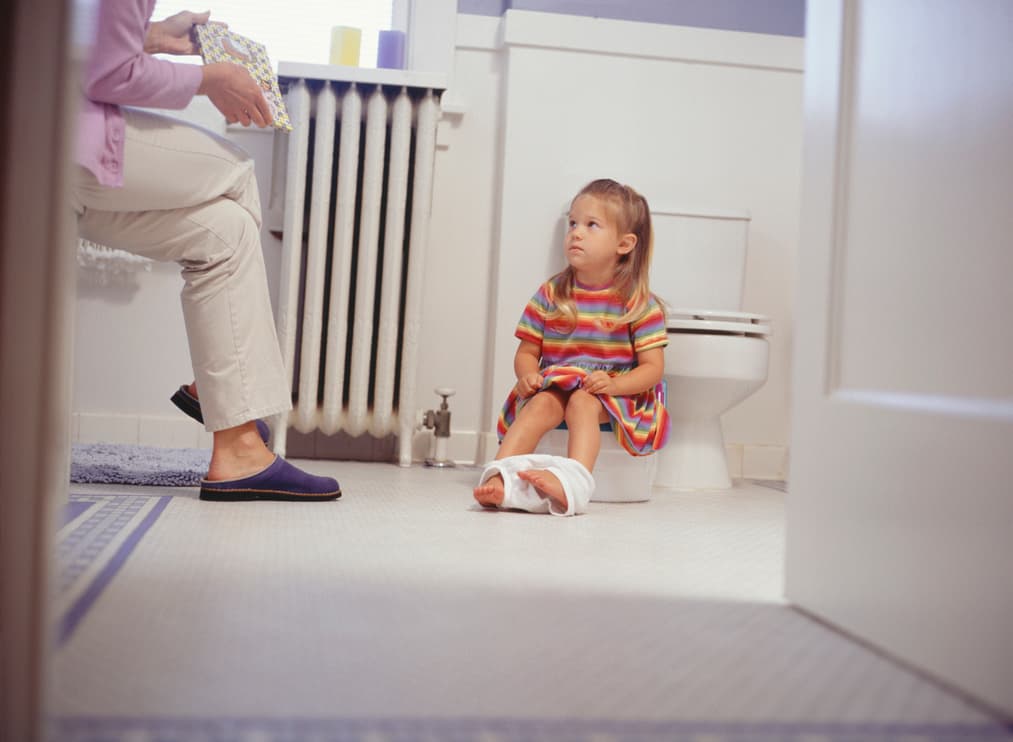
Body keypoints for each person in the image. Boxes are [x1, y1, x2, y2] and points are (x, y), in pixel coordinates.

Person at [71, 1, 340, 502]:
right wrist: (208, 79)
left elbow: (74, 42)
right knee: (236, 171)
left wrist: (152, 36)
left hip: (51, 139)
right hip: (62, 136)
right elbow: (109, 74)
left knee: (225, 229)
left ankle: (238, 448)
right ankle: (220, 389)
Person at [474, 179, 670, 516]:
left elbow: (652, 369)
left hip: (613, 394)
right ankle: (501, 477)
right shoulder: (552, 294)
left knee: (582, 402)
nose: (576, 233)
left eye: (591, 225)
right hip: (558, 382)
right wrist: (528, 376)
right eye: (573, 223)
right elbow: (527, 352)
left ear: (624, 243)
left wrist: (614, 384)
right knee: (540, 405)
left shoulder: (638, 304)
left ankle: (572, 485)